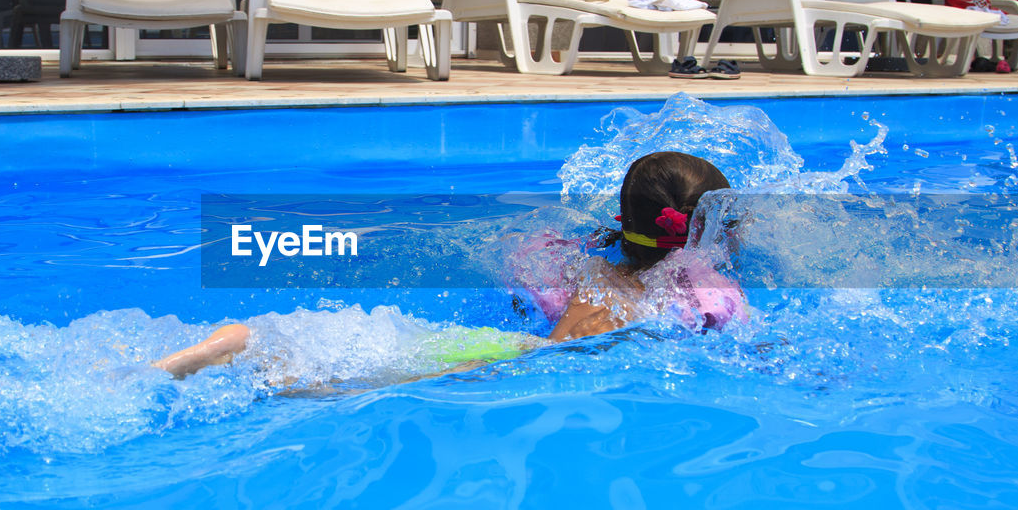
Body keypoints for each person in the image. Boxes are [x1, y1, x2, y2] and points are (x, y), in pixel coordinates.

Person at [155, 151, 737, 380]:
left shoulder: (575, 260)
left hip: (503, 339)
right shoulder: (705, 297)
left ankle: (249, 339)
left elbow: (522, 280)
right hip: (527, 358)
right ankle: (259, 355)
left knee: (379, 349)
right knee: (339, 385)